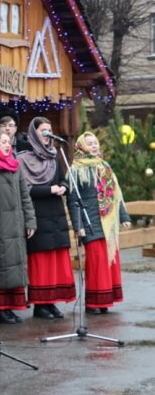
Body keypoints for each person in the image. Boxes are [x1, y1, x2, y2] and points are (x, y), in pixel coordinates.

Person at [18, 117, 75, 319]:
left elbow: (63, 179)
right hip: (37, 213)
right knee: (41, 261)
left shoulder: (54, 156)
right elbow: (24, 189)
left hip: (56, 213)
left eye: (50, 130)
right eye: (43, 131)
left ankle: (52, 302)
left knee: (56, 258)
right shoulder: (24, 158)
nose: (47, 135)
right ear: (34, 134)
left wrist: (64, 188)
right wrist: (48, 189)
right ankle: (40, 305)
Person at [68, 131, 131, 314]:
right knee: (96, 264)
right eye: (90, 143)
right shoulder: (76, 170)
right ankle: (93, 302)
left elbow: (115, 195)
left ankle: (106, 300)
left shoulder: (105, 167)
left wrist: (124, 218)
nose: (94, 146)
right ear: (81, 146)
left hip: (108, 223)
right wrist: (78, 226)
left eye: (95, 143)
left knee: (109, 264)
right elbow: (73, 201)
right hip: (90, 223)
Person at [0, 131, 36, 324]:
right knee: (2, 266)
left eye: (9, 142)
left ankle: (12, 307)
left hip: (16, 222)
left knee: (15, 264)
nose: (7, 145)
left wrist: (30, 221)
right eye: (3, 142)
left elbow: (25, 196)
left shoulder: (15, 165)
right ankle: (0, 309)